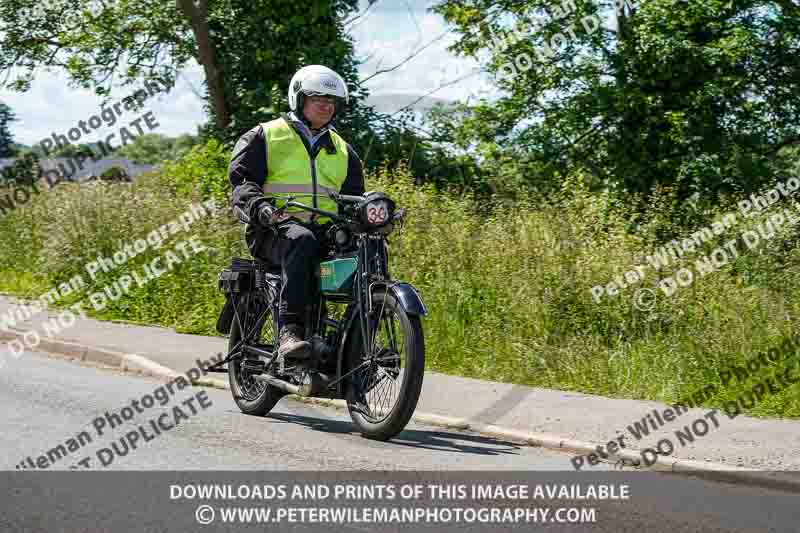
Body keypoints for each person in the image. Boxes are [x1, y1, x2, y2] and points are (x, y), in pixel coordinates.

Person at [229, 65, 365, 361]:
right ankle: (289, 330)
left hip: (326, 233)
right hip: (273, 229)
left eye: (332, 101)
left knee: (365, 250)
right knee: (302, 240)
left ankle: (351, 337)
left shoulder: (343, 150)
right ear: (299, 98)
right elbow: (242, 182)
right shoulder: (266, 135)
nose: (326, 105)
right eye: (318, 97)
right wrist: (262, 209)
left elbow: (353, 198)